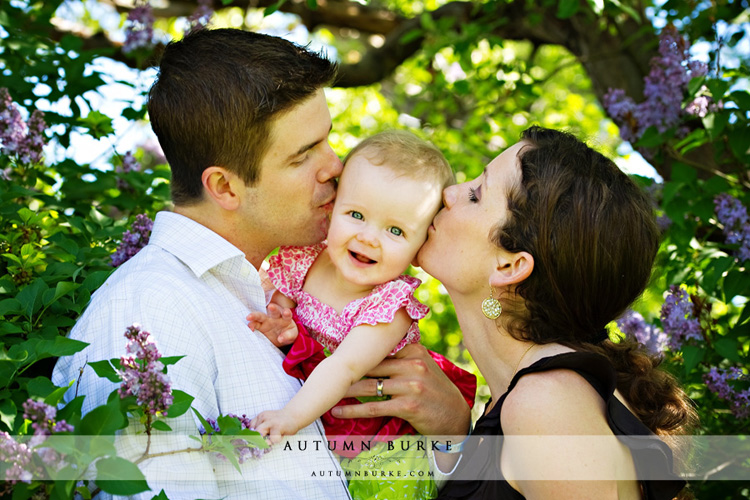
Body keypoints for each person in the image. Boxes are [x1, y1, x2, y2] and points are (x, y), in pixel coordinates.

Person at [51, 28, 470, 500]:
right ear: (226, 187)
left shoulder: (290, 286)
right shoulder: (148, 314)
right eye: (303, 154)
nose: (335, 166)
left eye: (327, 140)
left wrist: (451, 430)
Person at [410, 126, 697, 499]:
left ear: (510, 266)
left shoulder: (545, 403)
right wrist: (451, 437)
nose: (449, 193)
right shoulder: (534, 396)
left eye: (476, 194)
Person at [247, 130, 477, 500]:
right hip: (320, 420)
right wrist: (281, 321)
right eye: (356, 215)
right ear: (333, 207)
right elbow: (282, 305)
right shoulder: (305, 258)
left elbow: (346, 367)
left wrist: (289, 418)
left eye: (396, 230)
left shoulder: (391, 305)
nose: (369, 238)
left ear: (419, 249)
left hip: (378, 440)